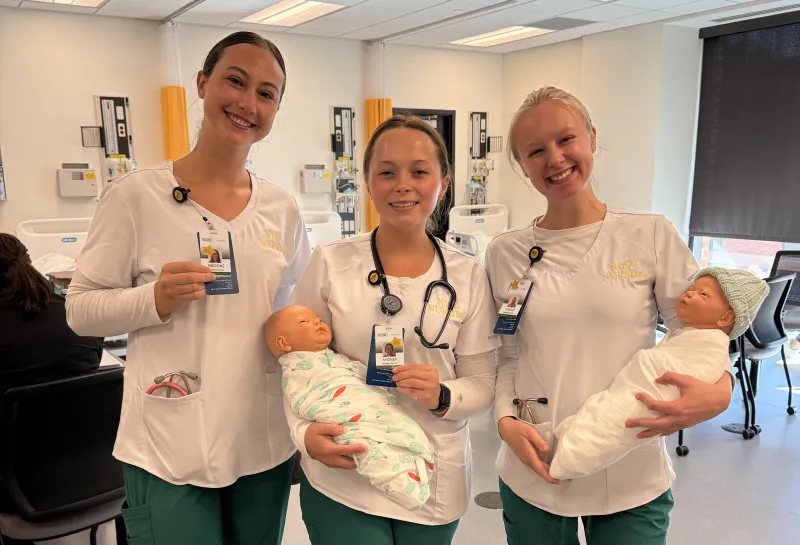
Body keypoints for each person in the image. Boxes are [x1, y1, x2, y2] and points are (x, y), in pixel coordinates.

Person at [65, 31, 310, 545]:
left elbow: (293, 314)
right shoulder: (136, 196)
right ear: (202, 83)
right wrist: (151, 299)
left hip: (260, 440)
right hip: (168, 440)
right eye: (235, 81)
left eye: (266, 94)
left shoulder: (281, 210)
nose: (247, 103)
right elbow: (81, 311)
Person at [486, 86, 735, 545]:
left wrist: (721, 391)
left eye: (566, 139)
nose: (554, 159)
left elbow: (702, 330)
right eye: (535, 151)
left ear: (592, 138)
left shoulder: (648, 234)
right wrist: (504, 420)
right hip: (533, 464)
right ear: (522, 167)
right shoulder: (505, 252)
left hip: (631, 472)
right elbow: (506, 353)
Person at [288, 114, 501, 545]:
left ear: (443, 182)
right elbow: (295, 364)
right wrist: (303, 435)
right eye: (387, 172)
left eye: (420, 171)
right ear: (367, 183)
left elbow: (482, 384)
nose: (403, 184)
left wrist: (444, 394)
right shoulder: (331, 263)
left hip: (433, 474)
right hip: (346, 469)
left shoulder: (469, 276)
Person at [549, 268, 768, 481]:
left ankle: (575, 454)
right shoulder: (686, 334)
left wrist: (722, 393)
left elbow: (705, 370)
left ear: (725, 318)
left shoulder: (708, 344)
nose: (689, 293)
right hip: (555, 406)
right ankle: (576, 443)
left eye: (702, 294)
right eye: (691, 289)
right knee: (605, 412)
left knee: (620, 418)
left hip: (647, 402)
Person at [265, 305, 435, 511]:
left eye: (318, 319)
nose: (317, 322)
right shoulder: (296, 371)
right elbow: (302, 399)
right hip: (345, 424)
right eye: (304, 322)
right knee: (368, 444)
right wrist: (304, 434)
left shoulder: (335, 359)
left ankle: (413, 462)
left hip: (394, 413)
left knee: (399, 427)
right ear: (284, 343)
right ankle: (403, 484)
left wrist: (354, 369)